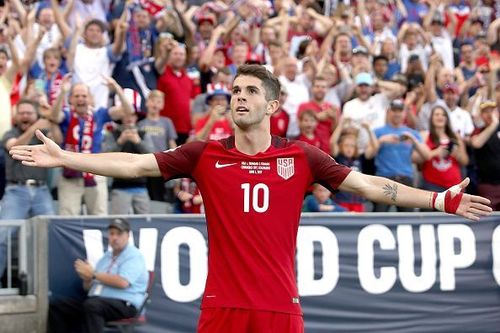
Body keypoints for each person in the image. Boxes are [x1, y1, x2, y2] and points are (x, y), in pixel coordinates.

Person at [11, 65, 491, 332]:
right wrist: (66, 159)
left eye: (249, 92)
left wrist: (438, 201)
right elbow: (134, 164)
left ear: (273, 104)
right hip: (221, 308)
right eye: (235, 91)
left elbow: (369, 186)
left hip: (280, 308)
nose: (238, 97)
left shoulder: (302, 157)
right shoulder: (203, 154)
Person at [48, 218, 148, 333]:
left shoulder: (134, 256)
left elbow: (123, 282)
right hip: (98, 300)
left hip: (125, 304)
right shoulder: (106, 257)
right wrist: (87, 279)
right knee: (57, 306)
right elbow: (88, 288)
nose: (115, 238)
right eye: (112, 234)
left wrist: (93, 274)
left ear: (127, 236)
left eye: (119, 234)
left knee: (92, 306)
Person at [0, 99, 61, 283]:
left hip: (41, 190)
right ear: (16, 116)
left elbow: (59, 140)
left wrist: (50, 120)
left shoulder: (43, 133)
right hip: (16, 191)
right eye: (22, 113)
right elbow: (13, 147)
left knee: (51, 235)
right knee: (2, 236)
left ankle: (48, 284)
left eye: (29, 113)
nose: (25, 116)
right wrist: (35, 126)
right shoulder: (10, 132)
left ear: (36, 115)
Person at [102, 112, 154, 214]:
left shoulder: (143, 134)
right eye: (126, 114)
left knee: (145, 222)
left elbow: (152, 154)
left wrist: (138, 142)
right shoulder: (113, 134)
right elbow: (105, 155)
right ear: (121, 117)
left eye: (132, 115)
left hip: (141, 186)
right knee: (118, 223)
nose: (129, 118)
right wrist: (120, 141)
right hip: (120, 186)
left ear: (136, 118)